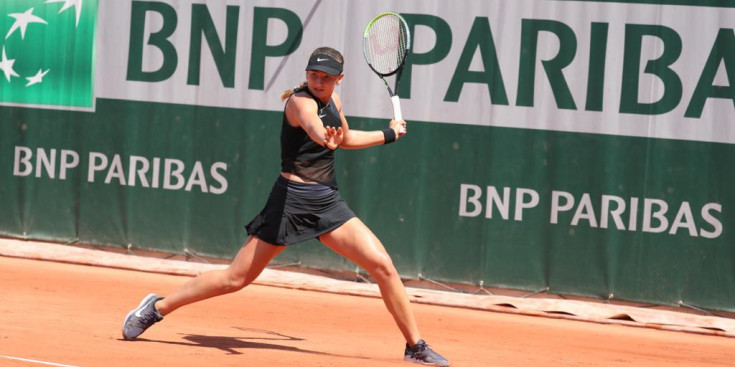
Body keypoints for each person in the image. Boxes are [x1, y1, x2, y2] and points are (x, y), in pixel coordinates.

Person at [121, 46, 450, 366]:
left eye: (326, 77)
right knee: (235, 279)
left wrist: (388, 134)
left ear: (340, 79)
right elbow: (314, 127)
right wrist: (324, 137)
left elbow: (344, 139)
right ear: (306, 74)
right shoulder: (298, 102)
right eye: (313, 75)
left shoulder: (333, 99)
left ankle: (414, 346)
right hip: (290, 202)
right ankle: (157, 307)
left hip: (326, 203)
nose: (319, 81)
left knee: (383, 265)